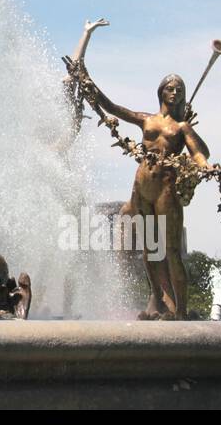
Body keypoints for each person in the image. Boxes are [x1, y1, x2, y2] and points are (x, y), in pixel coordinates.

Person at [80, 71, 213, 319]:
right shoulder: (147, 120)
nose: (175, 93)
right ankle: (161, 301)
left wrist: (205, 166)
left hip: (166, 189)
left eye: (180, 90)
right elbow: (114, 108)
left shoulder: (182, 127)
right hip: (141, 188)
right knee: (149, 249)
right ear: (161, 91)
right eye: (171, 88)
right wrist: (88, 83)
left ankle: (181, 311)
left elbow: (198, 154)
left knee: (171, 250)